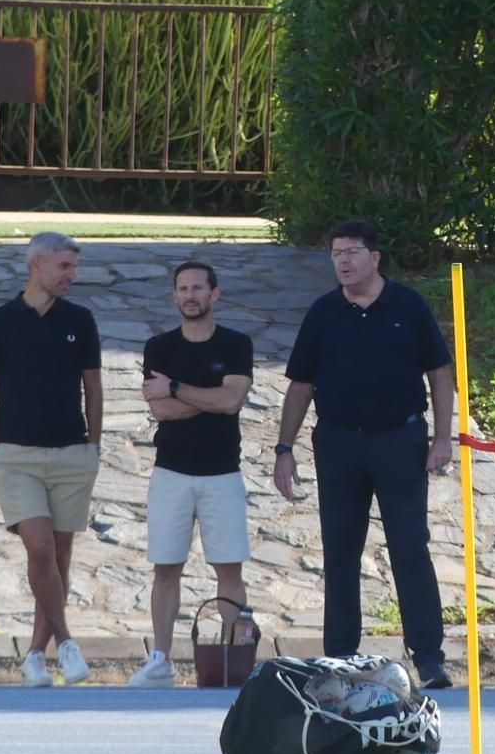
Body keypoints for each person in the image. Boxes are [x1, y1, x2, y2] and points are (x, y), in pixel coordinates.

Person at [271, 220, 456, 690]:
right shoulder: (323, 312)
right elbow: (300, 386)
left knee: (410, 548)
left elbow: (438, 371)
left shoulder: (408, 306)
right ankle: (340, 658)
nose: (344, 261)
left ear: (375, 257)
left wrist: (441, 437)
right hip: (339, 444)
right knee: (340, 552)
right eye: (336, 254)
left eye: (352, 252)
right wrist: (284, 448)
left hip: (400, 441)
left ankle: (429, 657)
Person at [0, 231, 102, 687]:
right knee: (40, 548)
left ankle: (34, 655)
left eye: (73, 267)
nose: (72, 275)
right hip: (16, 457)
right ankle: (66, 641)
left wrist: (95, 444)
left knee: (59, 557)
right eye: (64, 266)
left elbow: (93, 386)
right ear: (37, 265)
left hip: (72, 453)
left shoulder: (80, 320)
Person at [129, 261, 255, 687]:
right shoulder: (159, 347)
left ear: (214, 294)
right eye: (182, 288)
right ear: (175, 294)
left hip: (222, 474)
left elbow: (231, 402)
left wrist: (179, 388)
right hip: (171, 473)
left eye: (198, 288)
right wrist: (208, 397)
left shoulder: (236, 344)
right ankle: (160, 660)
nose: (190, 295)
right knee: (166, 569)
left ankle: (235, 661)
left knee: (229, 571)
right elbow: (159, 409)